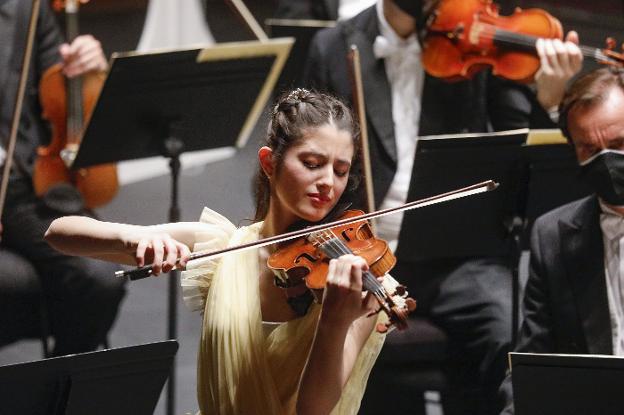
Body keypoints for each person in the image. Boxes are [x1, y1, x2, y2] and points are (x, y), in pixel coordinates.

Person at [44, 89, 403, 414]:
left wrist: (336, 322)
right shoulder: (224, 248)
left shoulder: (357, 283)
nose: (328, 182)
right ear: (269, 162)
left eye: (340, 171)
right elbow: (59, 234)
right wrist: (133, 238)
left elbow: (313, 410)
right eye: (311, 164)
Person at [303, 0, 583, 414]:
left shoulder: (472, 41)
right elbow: (304, 157)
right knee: (349, 342)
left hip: (458, 258)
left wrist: (551, 97)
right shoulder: (333, 47)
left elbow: (522, 146)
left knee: (506, 326)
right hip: (365, 254)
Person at [0, 0, 125, 356]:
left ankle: (56, 391)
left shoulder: (26, 7)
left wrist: (84, 71)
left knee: (101, 277)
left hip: (23, 180)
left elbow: (56, 86)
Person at [498, 66, 624, 414]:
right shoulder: (552, 236)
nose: (607, 160)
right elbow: (535, 364)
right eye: (589, 149)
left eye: (618, 145)